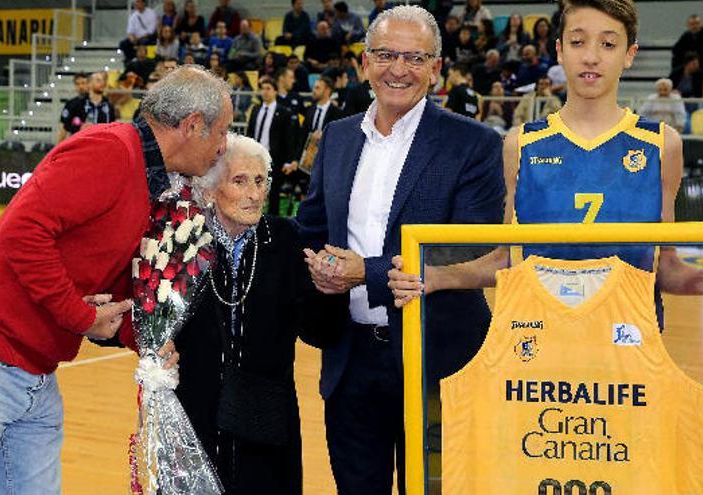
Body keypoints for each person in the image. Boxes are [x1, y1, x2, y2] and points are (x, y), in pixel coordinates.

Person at [388, 1, 703, 492]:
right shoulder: (520, 143)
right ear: (558, 51)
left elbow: (666, 266)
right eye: (578, 41)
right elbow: (510, 257)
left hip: (627, 364)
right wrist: (436, 278)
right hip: (537, 363)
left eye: (608, 44)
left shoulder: (661, 145)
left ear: (630, 55)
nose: (591, 56)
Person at [0, 66, 233, 495]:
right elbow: (23, 234)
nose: (224, 146)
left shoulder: (149, 180)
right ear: (192, 126)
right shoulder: (108, 150)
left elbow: (113, 280)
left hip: (34, 372)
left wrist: (149, 341)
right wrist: (79, 316)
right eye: (223, 132)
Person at [294, 6, 505, 493]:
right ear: (364, 63)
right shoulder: (339, 137)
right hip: (349, 361)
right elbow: (312, 227)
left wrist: (362, 273)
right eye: (387, 55)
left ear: (436, 68)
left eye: (415, 57)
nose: (399, 69)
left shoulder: (473, 144)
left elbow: (463, 250)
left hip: (437, 356)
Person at [154, 133, 343, 494]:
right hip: (195, 418)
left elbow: (322, 333)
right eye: (239, 181)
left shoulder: (286, 240)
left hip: (267, 422)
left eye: (260, 181)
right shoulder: (181, 245)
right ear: (209, 190)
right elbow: (149, 320)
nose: (254, 194)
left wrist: (330, 293)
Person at [246, 77, 299, 215]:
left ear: (275, 91)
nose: (265, 92)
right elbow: (250, 133)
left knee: (274, 192)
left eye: (268, 88)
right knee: (253, 189)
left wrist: (289, 160)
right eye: (263, 88)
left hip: (274, 158)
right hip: (255, 157)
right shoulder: (256, 109)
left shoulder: (284, 112)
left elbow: (289, 138)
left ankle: (272, 221)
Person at [57, 71, 116, 143]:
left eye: (103, 80)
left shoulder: (109, 106)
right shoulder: (76, 104)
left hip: (102, 148)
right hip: (81, 148)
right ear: (89, 84)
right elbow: (64, 129)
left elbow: (113, 129)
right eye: (98, 80)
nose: (102, 82)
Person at [119, 0, 159, 64]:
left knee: (143, 42)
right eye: (136, 2)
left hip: (148, 37)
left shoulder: (151, 13)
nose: (137, 4)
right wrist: (132, 37)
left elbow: (151, 30)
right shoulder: (133, 16)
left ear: (143, 3)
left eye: (139, 2)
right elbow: (130, 30)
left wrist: (139, 38)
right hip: (136, 38)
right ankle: (130, 60)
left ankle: (144, 61)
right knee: (123, 44)